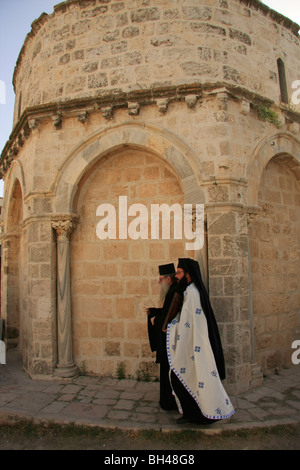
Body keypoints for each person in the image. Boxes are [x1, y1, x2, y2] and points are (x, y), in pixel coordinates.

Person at [166, 258, 235, 425]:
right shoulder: (189, 291)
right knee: (184, 379)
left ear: (188, 275)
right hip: (189, 344)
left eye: (180, 272)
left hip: (193, 346)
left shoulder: (193, 294)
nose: (177, 275)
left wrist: (173, 325)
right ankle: (193, 415)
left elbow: (192, 323)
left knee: (181, 377)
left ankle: (198, 415)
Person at [146, 263, 178, 410]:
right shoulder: (171, 292)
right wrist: (154, 312)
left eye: (161, 279)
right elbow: (166, 312)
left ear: (168, 280)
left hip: (171, 341)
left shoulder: (174, 293)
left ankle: (168, 402)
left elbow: (171, 317)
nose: (159, 282)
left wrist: (156, 320)